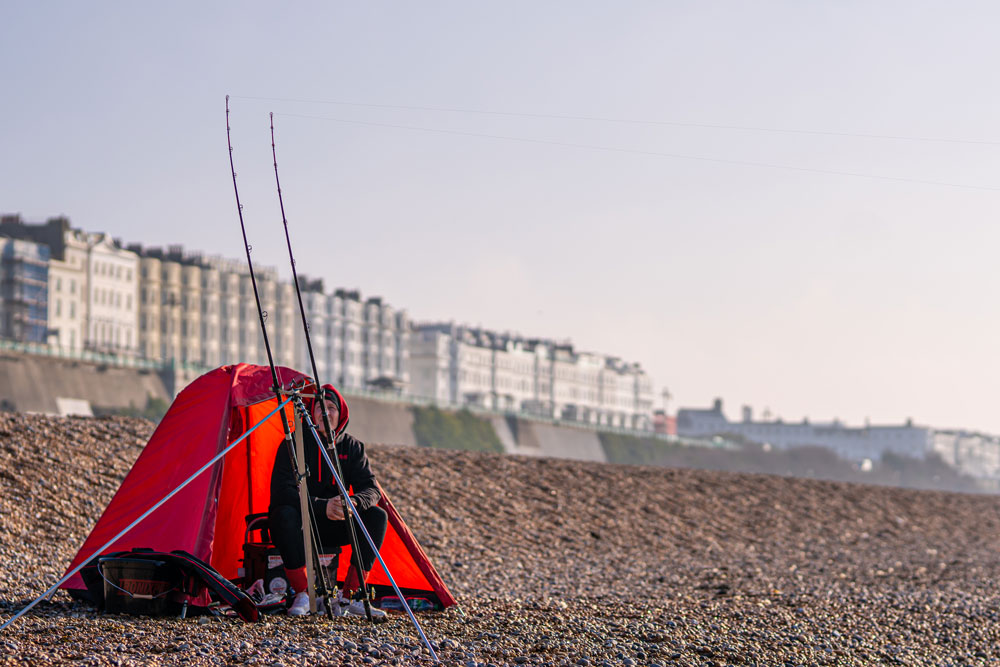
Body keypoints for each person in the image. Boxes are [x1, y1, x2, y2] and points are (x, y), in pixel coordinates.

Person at [268, 384, 388, 617]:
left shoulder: (352, 447)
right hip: (303, 525)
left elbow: (372, 490)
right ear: (310, 413)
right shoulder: (293, 444)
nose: (325, 412)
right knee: (282, 513)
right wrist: (322, 506)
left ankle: (350, 597)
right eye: (319, 407)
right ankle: (304, 593)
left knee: (377, 516)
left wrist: (352, 503)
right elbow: (282, 491)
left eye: (331, 407)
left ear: (341, 413)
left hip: (338, 524)